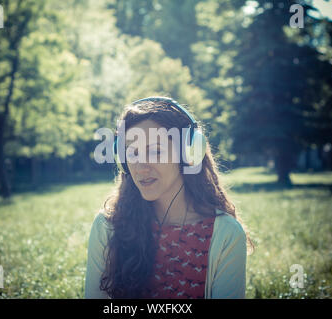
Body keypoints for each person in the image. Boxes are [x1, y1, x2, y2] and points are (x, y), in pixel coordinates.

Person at [85, 97, 254, 299]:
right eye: (132, 153)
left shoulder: (226, 234)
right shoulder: (107, 227)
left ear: (189, 154)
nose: (140, 166)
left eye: (156, 151)